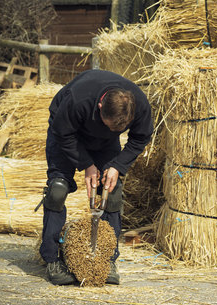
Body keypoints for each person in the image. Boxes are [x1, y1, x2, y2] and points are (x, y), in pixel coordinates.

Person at [39, 70, 154, 285]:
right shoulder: (78, 99)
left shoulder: (139, 105)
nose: (113, 129)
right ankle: (52, 258)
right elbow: (62, 133)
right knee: (57, 189)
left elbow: (141, 137)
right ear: (100, 107)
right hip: (66, 134)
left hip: (105, 143)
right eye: (108, 124)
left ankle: (107, 259)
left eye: (118, 128)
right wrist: (86, 164)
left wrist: (117, 166)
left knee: (112, 193)